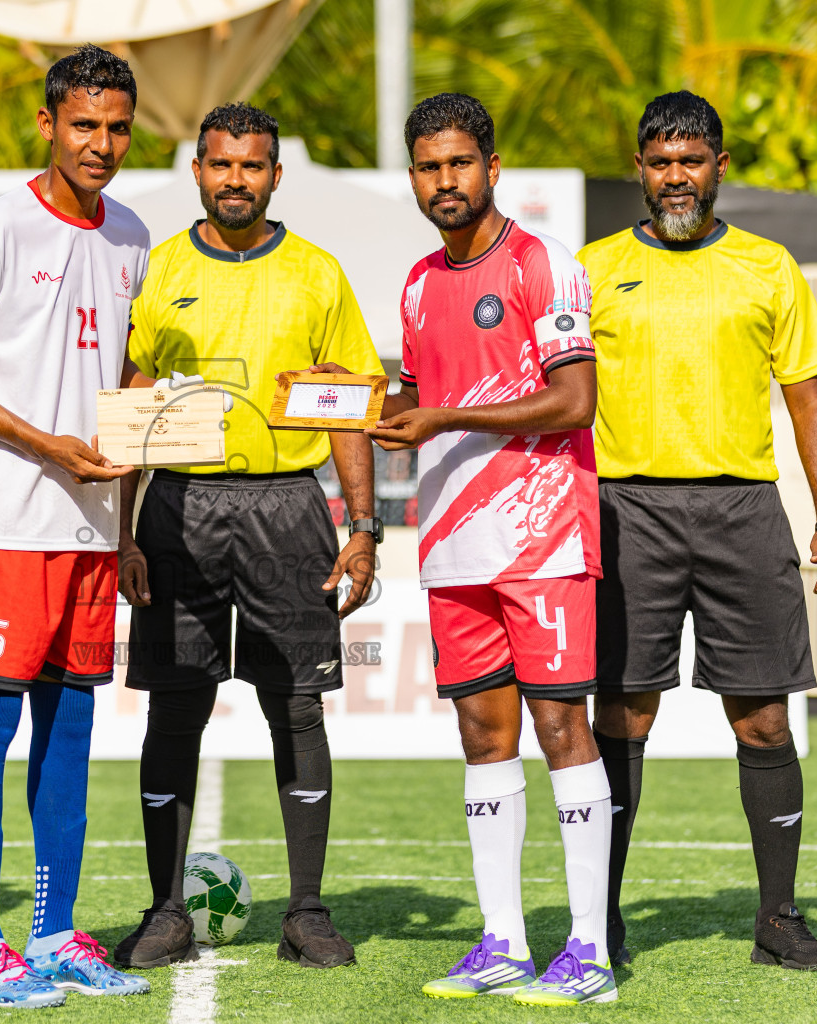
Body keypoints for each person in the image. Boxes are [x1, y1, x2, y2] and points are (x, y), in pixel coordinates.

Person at [0, 45, 156, 1008]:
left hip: (90, 525)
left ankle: (53, 932)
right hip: (2, 511)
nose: (101, 143)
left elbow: (122, 385)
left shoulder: (131, 232)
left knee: (75, 725)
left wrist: (124, 518)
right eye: (83, 124)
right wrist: (43, 442)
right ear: (46, 123)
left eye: (117, 127)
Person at [579, 90, 817, 972]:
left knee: (765, 721)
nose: (675, 178)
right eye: (660, 162)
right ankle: (601, 920)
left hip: (743, 513)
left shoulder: (770, 268)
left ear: (719, 166)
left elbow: (807, 404)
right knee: (622, 717)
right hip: (628, 515)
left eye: (691, 161)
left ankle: (777, 920)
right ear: (640, 169)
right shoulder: (590, 269)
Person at [111, 102, 384, 972]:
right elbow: (129, 405)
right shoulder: (154, 271)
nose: (238, 180)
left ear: (274, 175)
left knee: (296, 705)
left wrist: (363, 523)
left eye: (253, 166)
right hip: (179, 507)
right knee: (175, 707)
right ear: (197, 170)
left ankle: (307, 911)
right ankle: (164, 911)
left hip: (288, 510)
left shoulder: (316, 272)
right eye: (222, 165)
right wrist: (123, 533)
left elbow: (348, 406)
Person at [367, 93, 618, 1006]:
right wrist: (351, 406)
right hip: (451, 545)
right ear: (414, 178)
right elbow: (410, 403)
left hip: (543, 536)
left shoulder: (539, 264)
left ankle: (588, 949)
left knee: (560, 727)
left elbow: (575, 401)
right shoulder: (415, 283)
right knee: (482, 733)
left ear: (492, 167)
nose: (446, 181)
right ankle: (502, 941)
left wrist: (444, 413)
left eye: (460, 164)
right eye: (430, 168)